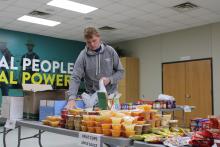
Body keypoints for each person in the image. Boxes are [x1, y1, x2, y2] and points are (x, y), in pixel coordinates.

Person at [65, 27, 124, 109]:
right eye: (88, 42)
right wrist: (71, 98)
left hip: (111, 97)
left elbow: (121, 72)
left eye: (94, 41)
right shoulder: (83, 55)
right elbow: (75, 77)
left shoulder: (110, 51)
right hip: (92, 97)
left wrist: (109, 79)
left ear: (99, 37)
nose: (92, 44)